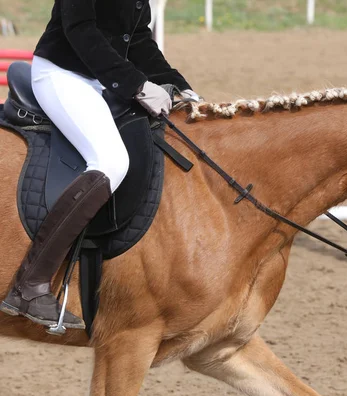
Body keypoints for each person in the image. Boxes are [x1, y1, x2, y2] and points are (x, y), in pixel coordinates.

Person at [0, 0, 200, 330]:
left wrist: (177, 83)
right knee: (111, 161)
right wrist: (136, 84)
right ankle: (30, 284)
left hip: (101, 81)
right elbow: (80, 30)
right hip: (62, 75)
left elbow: (137, 38)